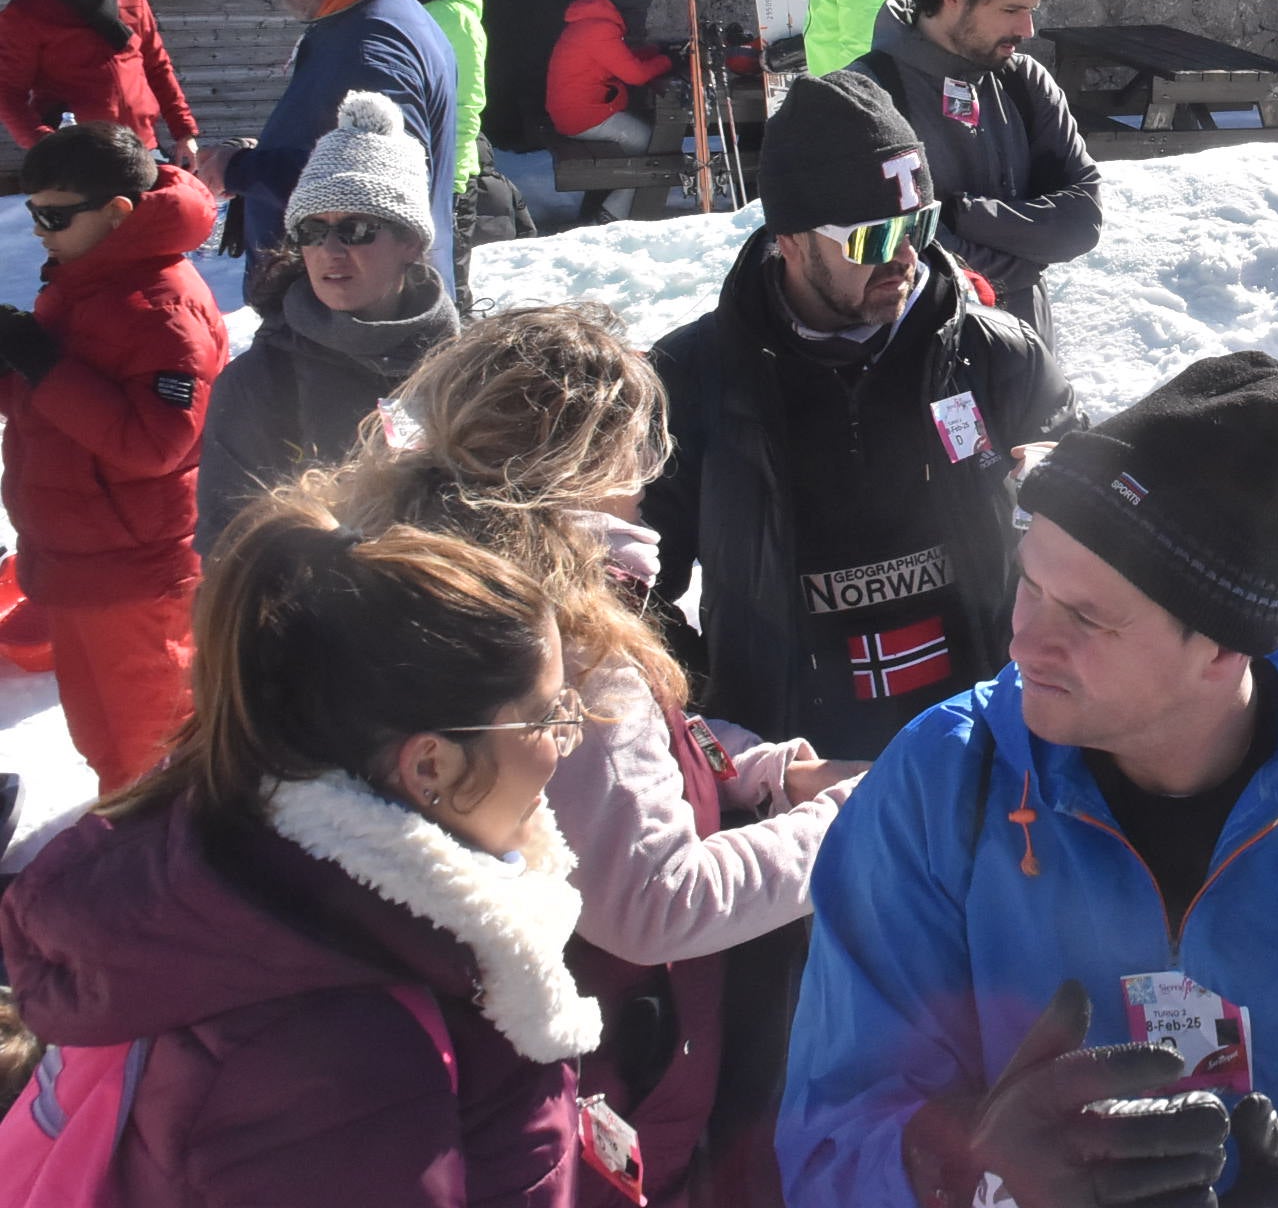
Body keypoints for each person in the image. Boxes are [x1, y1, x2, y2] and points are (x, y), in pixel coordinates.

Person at [777, 352, 1278, 1208]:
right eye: (1032, 589)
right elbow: (833, 1121)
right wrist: (965, 1175)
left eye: (1087, 616)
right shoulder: (943, 781)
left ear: (1222, 647)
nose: (1024, 646)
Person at [334, 308, 868, 1207]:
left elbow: (622, 767)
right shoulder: (567, 636)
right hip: (613, 1077)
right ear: (598, 463)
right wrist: (846, 822)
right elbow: (657, 901)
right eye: (646, 446)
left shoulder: (430, 569)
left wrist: (765, 769)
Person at [0, 503, 603, 1205]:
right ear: (429, 767)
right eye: (550, 714)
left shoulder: (262, 862)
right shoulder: (339, 1063)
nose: (570, 739)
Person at [646, 70, 1082, 755]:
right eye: (871, 239)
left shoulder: (998, 358)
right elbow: (619, 581)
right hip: (795, 763)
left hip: (985, 740)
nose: (905, 259)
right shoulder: (693, 379)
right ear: (790, 240)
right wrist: (708, 702)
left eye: (920, 225)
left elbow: (1099, 540)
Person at [0, 124, 226, 793]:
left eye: (54, 215)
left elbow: (155, 443)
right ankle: (125, 831)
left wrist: (42, 365)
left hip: (131, 571)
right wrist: (16, 366)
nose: (38, 228)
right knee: (101, 735)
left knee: (149, 740)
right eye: (31, 210)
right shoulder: (84, 281)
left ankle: (166, 859)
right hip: (72, 555)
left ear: (117, 212)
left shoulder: (164, 309)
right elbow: (51, 407)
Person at [195, 92, 460, 547]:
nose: (330, 252)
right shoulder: (259, 382)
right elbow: (228, 555)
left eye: (356, 230)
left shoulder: (463, 371)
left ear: (411, 243)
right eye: (312, 231)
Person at [850, 0, 1103, 344]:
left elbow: (1082, 220)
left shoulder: (1025, 81)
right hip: (916, 354)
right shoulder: (867, 94)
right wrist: (1023, 265)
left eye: (1031, 10)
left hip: (1027, 350)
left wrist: (959, 214)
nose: (1027, 28)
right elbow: (895, 248)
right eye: (1011, 9)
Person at [198, 0, 458, 290]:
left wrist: (244, 172)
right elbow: (334, 148)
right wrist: (258, 156)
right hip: (339, 313)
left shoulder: (372, 47)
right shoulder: (367, 18)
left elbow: (380, 193)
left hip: (357, 323)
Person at [377, 0, 525, 304]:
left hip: (443, 183)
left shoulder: (451, 17)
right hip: (402, 177)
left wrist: (452, 184)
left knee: (444, 299)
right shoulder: (397, 8)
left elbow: (465, 104)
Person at [0, 0, 197, 168]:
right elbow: (8, 93)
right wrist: (44, 143)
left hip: (141, 145)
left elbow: (157, 66)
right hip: (76, 156)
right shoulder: (25, 13)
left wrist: (184, 132)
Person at [548, 0, 675, 150]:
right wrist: (668, 61)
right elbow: (636, 76)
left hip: (570, 111)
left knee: (641, 118)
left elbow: (617, 60)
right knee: (643, 136)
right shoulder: (600, 30)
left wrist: (654, 51)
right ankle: (636, 175)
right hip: (579, 117)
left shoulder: (586, 25)